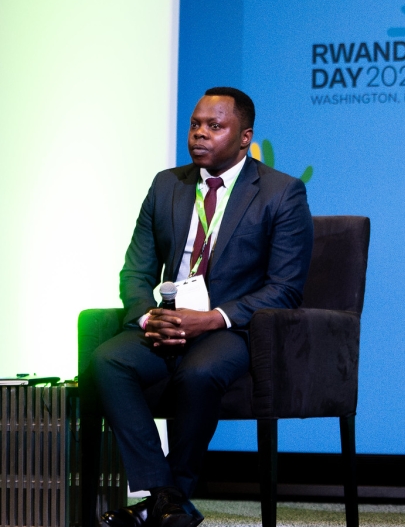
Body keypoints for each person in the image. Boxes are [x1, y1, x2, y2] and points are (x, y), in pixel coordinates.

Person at [92, 88, 314, 527]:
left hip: (231, 329)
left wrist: (212, 318)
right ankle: (167, 497)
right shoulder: (166, 185)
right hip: (166, 323)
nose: (199, 134)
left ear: (245, 137)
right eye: (195, 124)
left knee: (199, 372)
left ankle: (166, 499)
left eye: (215, 126)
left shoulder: (280, 192)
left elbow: (285, 288)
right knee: (108, 360)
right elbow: (135, 272)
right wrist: (149, 316)